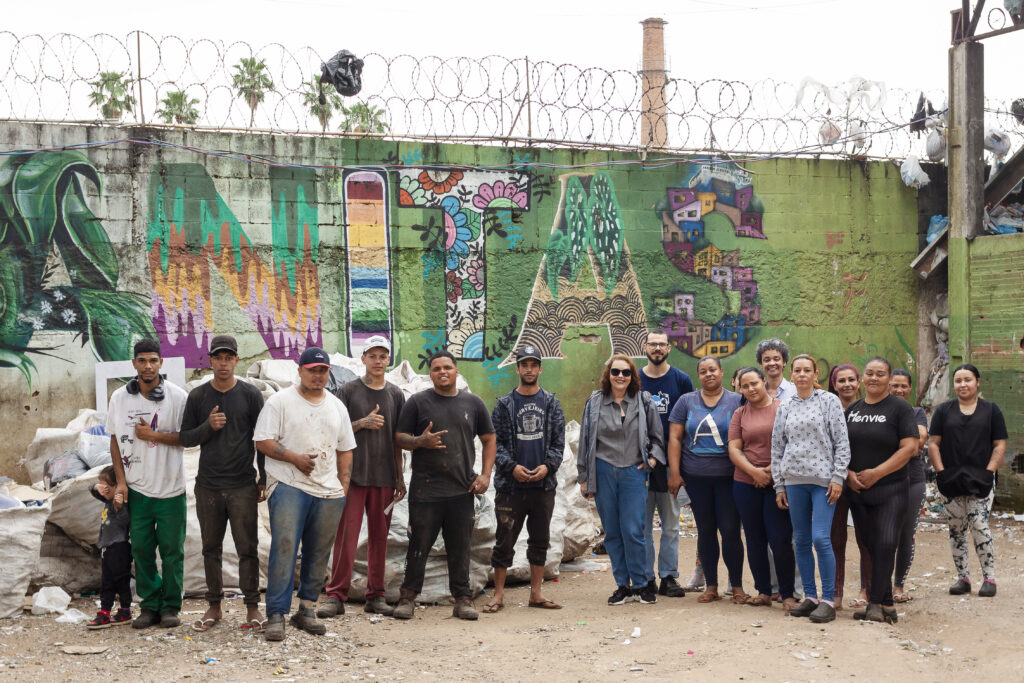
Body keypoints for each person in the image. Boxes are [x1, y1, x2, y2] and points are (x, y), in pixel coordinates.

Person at [254, 346, 356, 641]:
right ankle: (276, 614)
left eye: (323, 370)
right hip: (288, 484)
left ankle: (306, 609)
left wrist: (343, 487)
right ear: (300, 371)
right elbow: (262, 441)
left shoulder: (336, 406)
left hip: (328, 491)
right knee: (285, 546)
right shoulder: (280, 401)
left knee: (319, 551)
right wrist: (294, 458)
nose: (318, 375)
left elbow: (346, 449)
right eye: (312, 370)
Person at [394, 350, 496, 621]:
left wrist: (485, 476)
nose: (442, 372)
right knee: (418, 546)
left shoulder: (473, 403)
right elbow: (400, 437)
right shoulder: (417, 402)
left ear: (456, 371)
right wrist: (419, 442)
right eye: (437, 368)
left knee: (460, 547)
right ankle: (407, 598)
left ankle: (462, 599)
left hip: (462, 490)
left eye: (447, 367)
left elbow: (489, 438)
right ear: (430, 373)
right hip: (425, 491)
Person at [179, 335, 267, 633]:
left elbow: (262, 439)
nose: (224, 363)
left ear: (236, 361)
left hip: (242, 483)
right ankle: (214, 606)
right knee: (210, 548)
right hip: (209, 486)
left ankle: (253, 608)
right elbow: (186, 438)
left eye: (229, 358)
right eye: (219, 358)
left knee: (248, 548)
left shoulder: (251, 395)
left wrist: (262, 478)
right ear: (211, 360)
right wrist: (208, 426)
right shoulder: (199, 396)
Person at [319, 336, 407, 619]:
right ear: (363, 358)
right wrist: (362, 423)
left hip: (384, 478)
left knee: (380, 539)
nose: (378, 361)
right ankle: (336, 595)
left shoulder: (396, 395)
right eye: (373, 355)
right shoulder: (348, 391)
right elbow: (334, 431)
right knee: (346, 537)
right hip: (353, 478)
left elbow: (398, 440)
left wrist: (400, 477)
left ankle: (376, 595)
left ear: (388, 360)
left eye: (383, 356)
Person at [107, 338, 188, 629]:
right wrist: (120, 482)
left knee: (171, 551)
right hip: (137, 489)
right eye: (142, 361)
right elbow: (114, 440)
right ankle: (149, 605)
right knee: (141, 549)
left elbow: (188, 438)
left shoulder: (178, 397)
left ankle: (170, 607)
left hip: (171, 488)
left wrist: (155, 437)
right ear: (134, 364)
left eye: (153, 360)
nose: (148, 366)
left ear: (161, 363)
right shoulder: (119, 398)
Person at [578, 354, 665, 605]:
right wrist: (584, 477)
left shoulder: (643, 400)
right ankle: (622, 585)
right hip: (604, 470)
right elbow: (585, 441)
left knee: (633, 529)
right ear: (608, 374)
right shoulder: (595, 402)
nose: (620, 376)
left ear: (632, 376)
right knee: (613, 533)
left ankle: (641, 584)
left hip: (633, 472)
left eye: (626, 372)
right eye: (615, 372)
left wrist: (652, 461)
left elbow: (658, 438)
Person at [485, 344, 566, 613]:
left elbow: (558, 443)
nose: (529, 369)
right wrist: (511, 467)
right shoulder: (504, 406)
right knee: (504, 540)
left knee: (540, 539)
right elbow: (495, 445)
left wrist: (547, 466)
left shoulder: (551, 403)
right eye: (524, 364)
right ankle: (497, 595)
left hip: (543, 486)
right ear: (517, 368)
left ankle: (536, 593)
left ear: (540, 369)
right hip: (511, 487)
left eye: (534, 364)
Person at [771, 354, 849, 624]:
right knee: (801, 540)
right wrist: (778, 483)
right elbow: (777, 446)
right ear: (791, 375)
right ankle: (811, 597)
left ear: (816, 374)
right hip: (793, 481)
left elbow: (842, 442)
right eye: (797, 370)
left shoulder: (829, 401)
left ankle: (828, 599)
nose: (802, 374)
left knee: (820, 538)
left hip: (823, 481)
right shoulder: (784, 406)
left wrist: (838, 477)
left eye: (807, 370)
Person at [844, 357, 919, 623]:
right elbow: (841, 448)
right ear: (862, 378)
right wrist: (848, 474)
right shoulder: (852, 409)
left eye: (880, 374)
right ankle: (886, 603)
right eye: (869, 373)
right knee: (869, 545)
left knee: (886, 543)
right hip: (858, 490)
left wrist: (877, 473)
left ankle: (874, 603)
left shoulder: (900, 408)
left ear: (889, 379)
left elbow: (909, 447)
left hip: (891, 488)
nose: (874, 378)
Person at [668, 356, 747, 604]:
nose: (708, 374)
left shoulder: (737, 400)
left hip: (729, 478)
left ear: (722, 372)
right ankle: (710, 586)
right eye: (703, 371)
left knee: (731, 530)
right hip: (696, 479)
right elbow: (674, 439)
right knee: (705, 531)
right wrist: (675, 473)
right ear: (698, 375)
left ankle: (736, 586)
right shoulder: (686, 401)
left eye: (712, 369)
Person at [928, 363, 1007, 598]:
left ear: (977, 382)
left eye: (968, 379)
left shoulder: (991, 410)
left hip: (980, 479)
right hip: (950, 478)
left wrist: (989, 471)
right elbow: (933, 443)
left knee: (980, 525)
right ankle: (963, 578)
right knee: (956, 529)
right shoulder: (944, 411)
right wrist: (940, 472)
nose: (963, 384)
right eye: (958, 380)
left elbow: (1000, 444)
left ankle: (989, 578)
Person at [728, 367, 796, 611]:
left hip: (778, 483)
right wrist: (754, 472)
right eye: (745, 386)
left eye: (754, 383)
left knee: (780, 539)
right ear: (740, 389)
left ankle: (787, 593)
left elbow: (792, 444)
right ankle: (764, 591)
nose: (750, 389)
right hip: (745, 483)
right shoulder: (739, 413)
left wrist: (769, 470)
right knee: (755, 539)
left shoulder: (783, 408)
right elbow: (734, 449)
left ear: (763, 382)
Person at [638, 330, 693, 599]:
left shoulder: (681, 380)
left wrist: (680, 468)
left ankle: (669, 577)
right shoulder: (634, 378)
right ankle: (646, 577)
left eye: (662, 344)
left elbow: (688, 423)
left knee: (671, 525)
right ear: (645, 347)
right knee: (643, 525)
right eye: (653, 344)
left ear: (669, 348)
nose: (657, 348)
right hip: (640, 465)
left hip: (672, 464)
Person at [827, 364, 871, 609]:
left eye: (851, 379)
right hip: (836, 482)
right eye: (841, 380)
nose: (846, 384)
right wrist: (843, 474)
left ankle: (867, 591)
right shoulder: (827, 408)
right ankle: (835, 595)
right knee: (836, 539)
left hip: (863, 482)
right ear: (834, 384)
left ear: (858, 383)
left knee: (866, 539)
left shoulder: (868, 409)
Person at [889, 368, 929, 603]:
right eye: (895, 386)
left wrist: (889, 442)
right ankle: (876, 585)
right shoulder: (879, 411)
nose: (899, 390)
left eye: (903, 386)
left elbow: (919, 442)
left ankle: (898, 586)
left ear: (910, 388)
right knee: (880, 535)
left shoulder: (916, 413)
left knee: (906, 534)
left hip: (913, 481)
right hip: (884, 482)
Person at [86, 466, 133, 629]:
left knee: (120, 581)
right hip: (107, 548)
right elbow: (90, 490)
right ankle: (105, 612)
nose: (104, 490)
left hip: (119, 548)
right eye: (102, 485)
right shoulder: (107, 499)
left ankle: (125, 610)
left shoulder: (123, 504)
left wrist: (119, 507)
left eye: (108, 486)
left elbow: (126, 522)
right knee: (106, 581)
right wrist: (95, 486)